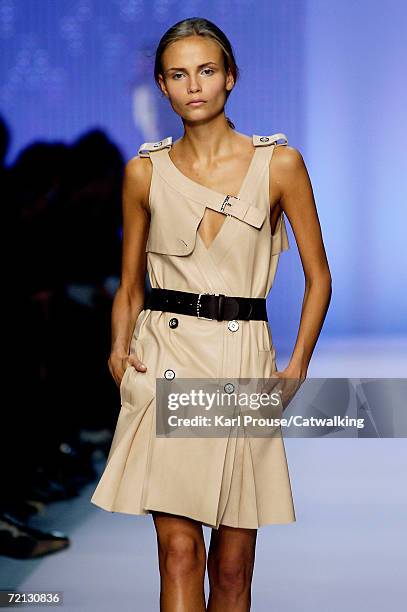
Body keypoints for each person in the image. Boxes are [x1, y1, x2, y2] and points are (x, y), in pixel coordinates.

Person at [91, 16, 332, 611]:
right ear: (162, 86)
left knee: (232, 568)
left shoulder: (279, 165)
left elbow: (318, 276)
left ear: (230, 78)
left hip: (243, 358)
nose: (193, 85)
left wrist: (297, 363)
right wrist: (120, 350)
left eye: (205, 71)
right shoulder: (144, 171)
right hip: (167, 358)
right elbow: (128, 284)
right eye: (178, 74)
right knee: (177, 554)